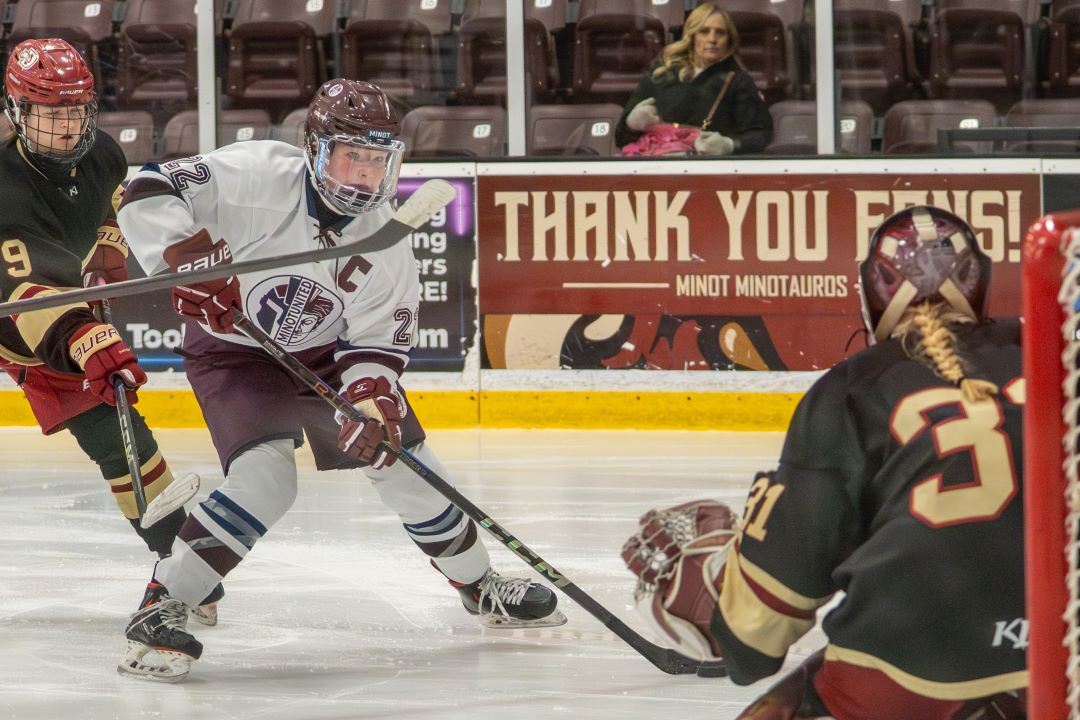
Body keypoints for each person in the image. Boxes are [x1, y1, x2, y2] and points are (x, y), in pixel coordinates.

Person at [115, 77, 566, 683]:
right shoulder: (254, 172)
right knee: (265, 479)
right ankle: (162, 604)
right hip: (234, 350)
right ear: (315, 148)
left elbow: (377, 341)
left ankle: (479, 585)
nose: (363, 176)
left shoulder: (386, 238)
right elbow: (147, 188)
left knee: (403, 461)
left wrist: (372, 400)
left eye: (377, 160)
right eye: (352, 156)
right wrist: (185, 258)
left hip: (328, 355)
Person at [621, 206, 1027, 719]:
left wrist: (708, 603)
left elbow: (752, 641)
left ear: (870, 294)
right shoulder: (1052, 351)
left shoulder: (850, 391)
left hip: (913, 662)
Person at [0, 39, 210, 591]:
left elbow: (111, 198)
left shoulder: (105, 154)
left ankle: (182, 564)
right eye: (49, 112)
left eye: (74, 109)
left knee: (119, 436)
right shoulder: (5, 186)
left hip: (51, 313)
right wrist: (84, 335)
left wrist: (110, 242)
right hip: (21, 315)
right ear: (19, 111)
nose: (66, 125)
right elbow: (26, 295)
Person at [614, 2, 773, 156]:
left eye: (720, 32)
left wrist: (729, 145)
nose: (712, 39)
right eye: (704, 31)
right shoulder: (662, 72)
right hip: (657, 168)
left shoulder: (738, 80)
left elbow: (761, 135)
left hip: (710, 171)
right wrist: (631, 124)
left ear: (729, 39)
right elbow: (620, 138)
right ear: (692, 36)